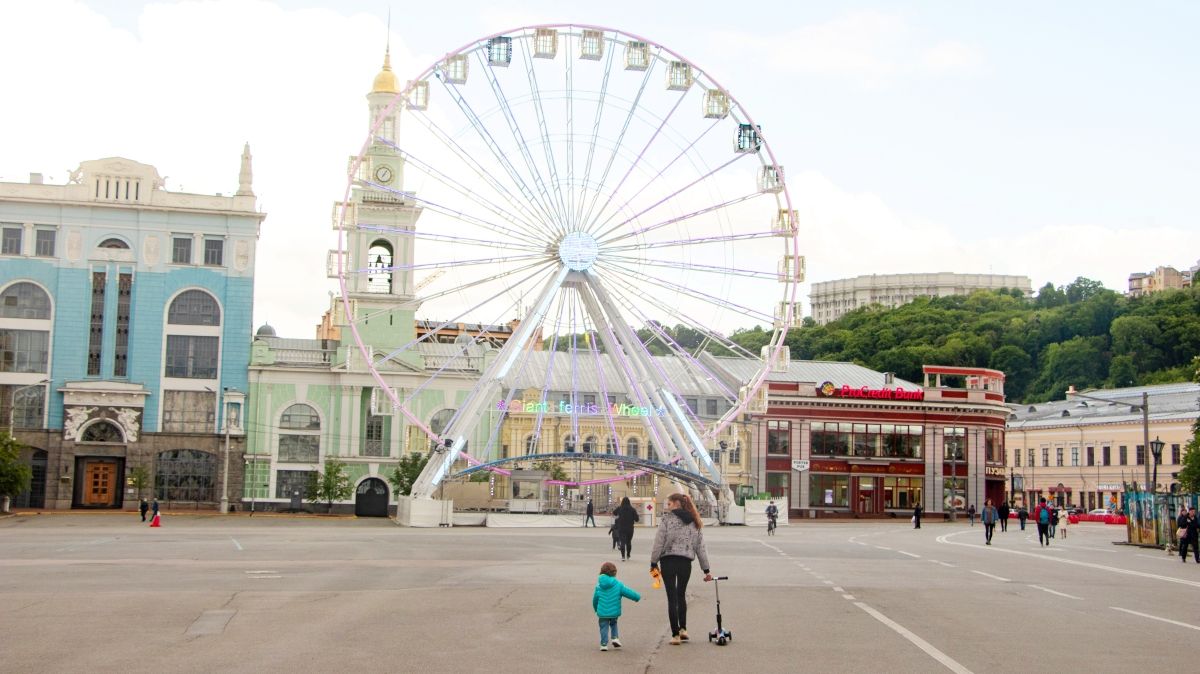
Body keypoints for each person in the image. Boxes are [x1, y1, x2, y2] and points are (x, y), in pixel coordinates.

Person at [650, 493, 712, 645]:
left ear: (676, 503)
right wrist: (706, 570)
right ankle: (683, 629)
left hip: (668, 561)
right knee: (681, 595)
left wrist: (653, 562)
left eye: (669, 504)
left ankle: (675, 634)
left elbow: (659, 542)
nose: (667, 507)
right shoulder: (694, 521)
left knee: (671, 598)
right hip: (685, 562)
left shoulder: (667, 519)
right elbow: (700, 547)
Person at [592, 561, 641, 651]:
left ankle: (603, 644)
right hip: (614, 612)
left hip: (602, 612)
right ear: (614, 573)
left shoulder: (599, 586)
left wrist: (596, 608)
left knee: (603, 626)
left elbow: (595, 599)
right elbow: (628, 592)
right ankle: (615, 638)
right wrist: (637, 597)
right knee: (613, 623)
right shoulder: (618, 584)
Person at [613, 497, 640, 561]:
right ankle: (628, 555)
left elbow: (614, 513)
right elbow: (637, 519)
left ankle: (623, 557)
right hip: (630, 528)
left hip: (621, 528)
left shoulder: (620, 508)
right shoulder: (632, 509)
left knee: (622, 542)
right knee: (629, 542)